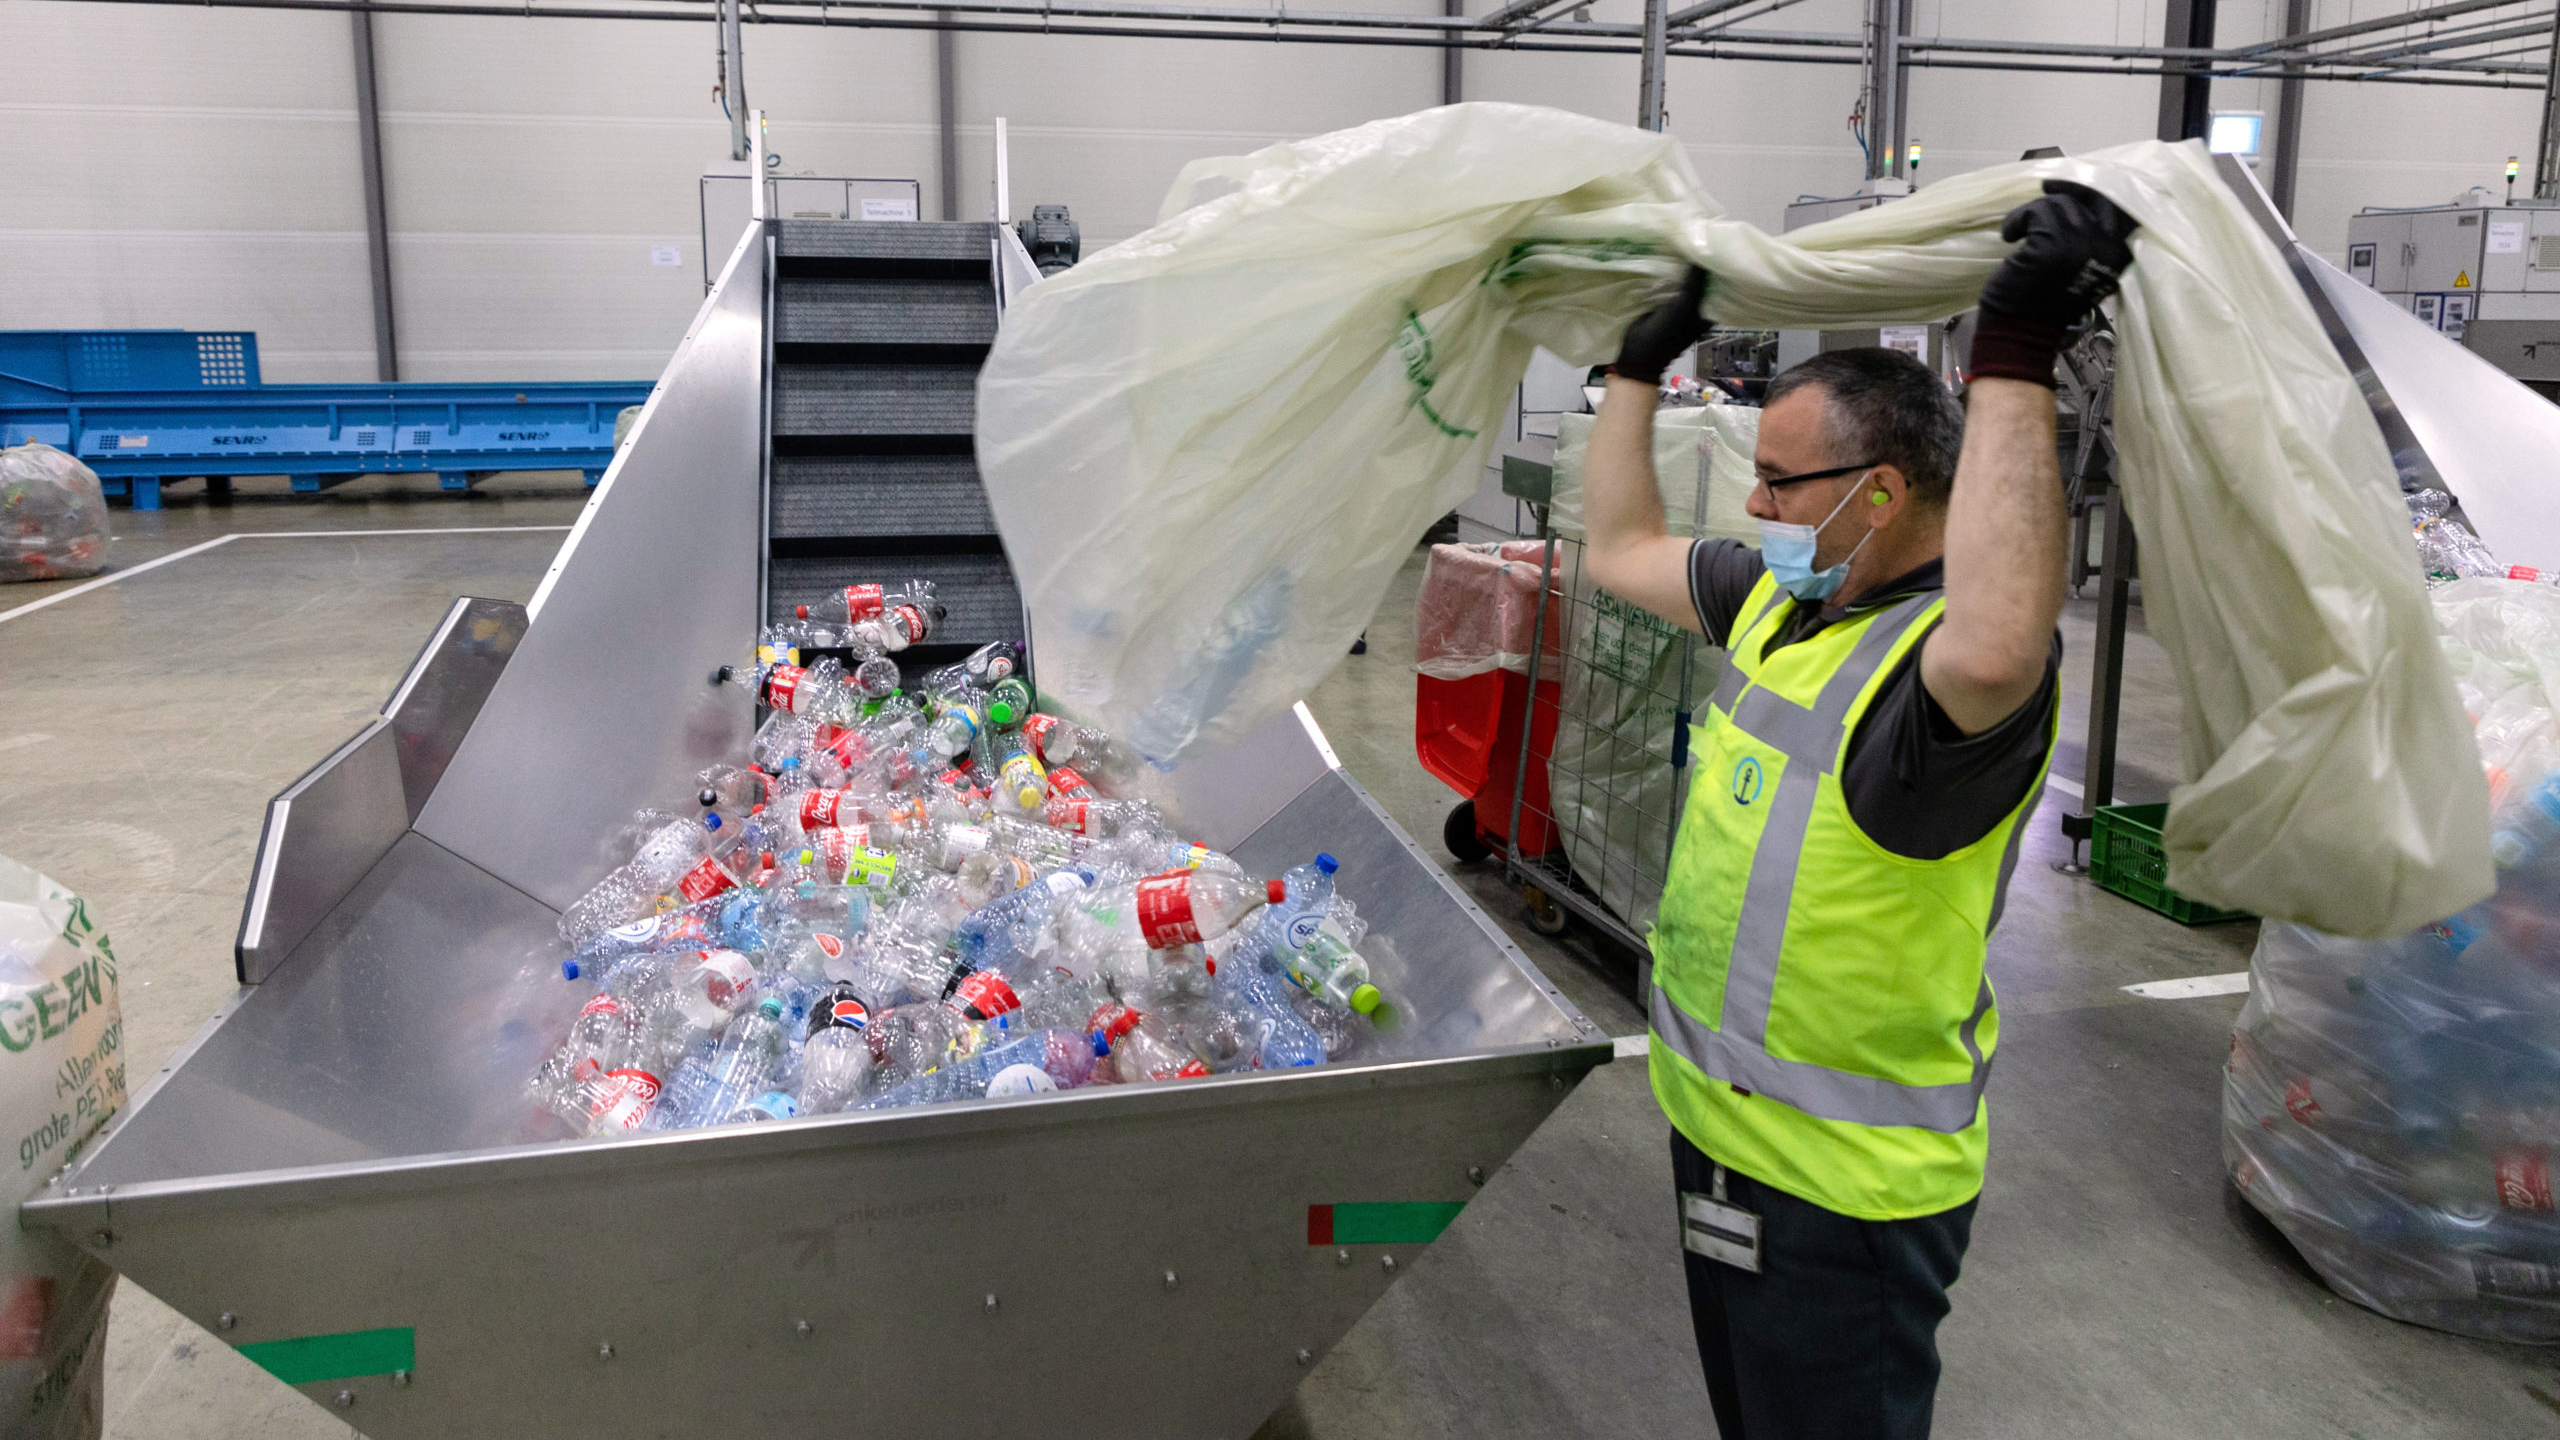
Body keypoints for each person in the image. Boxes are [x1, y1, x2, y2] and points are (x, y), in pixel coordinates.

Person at [1579, 182, 2139, 1439]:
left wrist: (2012, 354)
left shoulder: (1939, 678)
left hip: (1841, 1199)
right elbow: (1619, 548)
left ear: (1878, 494)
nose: (1755, 509)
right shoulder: (1792, 602)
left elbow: (1999, 648)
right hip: (1721, 1142)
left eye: (1778, 483)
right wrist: (1633, 370)